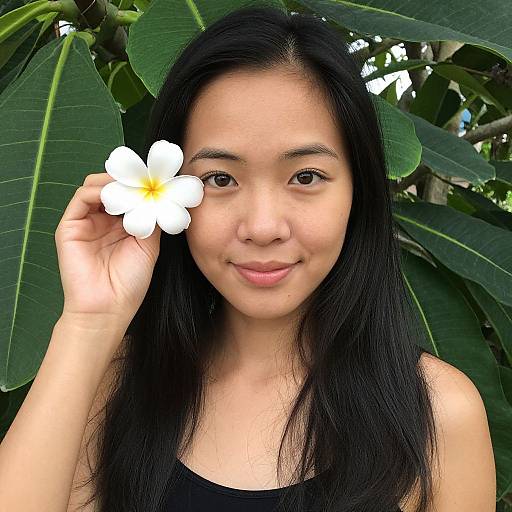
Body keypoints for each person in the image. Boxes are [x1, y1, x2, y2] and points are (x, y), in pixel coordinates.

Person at [0, 5, 496, 512]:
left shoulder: (435, 413)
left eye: (305, 177)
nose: (262, 227)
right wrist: (88, 324)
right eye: (220, 179)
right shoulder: (112, 390)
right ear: (173, 194)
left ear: (359, 190)